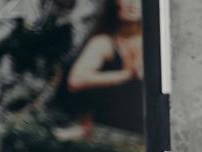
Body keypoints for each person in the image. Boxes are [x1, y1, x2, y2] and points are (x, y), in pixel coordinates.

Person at [55, 0, 144, 140]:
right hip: (110, 124)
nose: (131, 3)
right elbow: (76, 80)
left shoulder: (159, 42)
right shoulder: (104, 42)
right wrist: (128, 74)